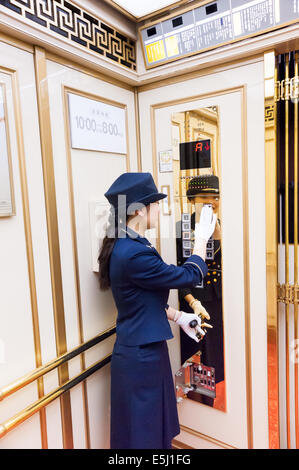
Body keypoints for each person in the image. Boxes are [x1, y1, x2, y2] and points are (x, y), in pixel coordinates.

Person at [97, 172, 217, 449]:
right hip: (141, 359)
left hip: (144, 352)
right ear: (139, 209)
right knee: (144, 437)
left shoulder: (131, 244)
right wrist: (200, 240)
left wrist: (178, 316)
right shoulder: (133, 252)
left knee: (149, 433)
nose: (159, 209)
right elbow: (188, 275)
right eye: (155, 203)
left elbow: (142, 299)